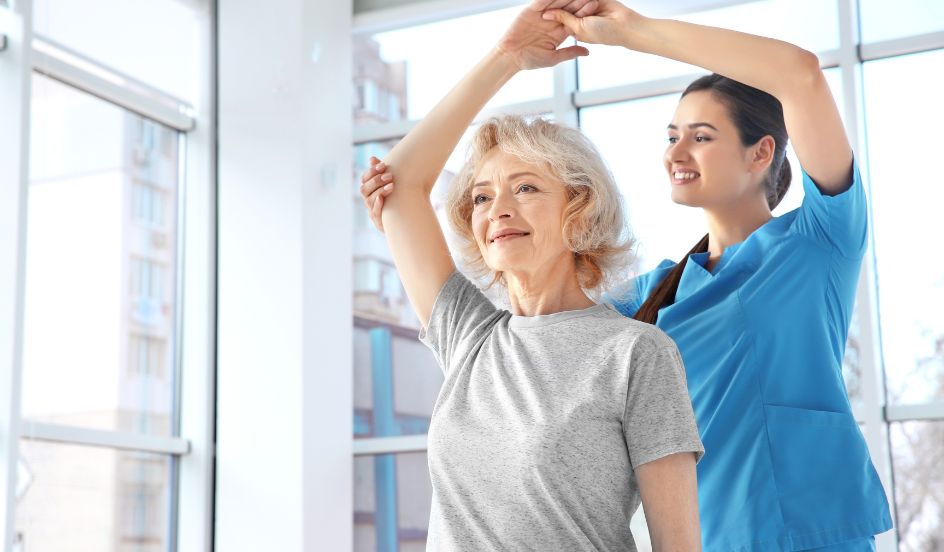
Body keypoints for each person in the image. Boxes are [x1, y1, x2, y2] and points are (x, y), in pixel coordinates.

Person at [363, 2, 893, 551]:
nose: (676, 152)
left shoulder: (816, 246)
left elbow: (799, 75)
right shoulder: (643, 301)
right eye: (671, 136)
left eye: (701, 136)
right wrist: (506, 59)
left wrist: (633, 33)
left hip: (805, 539)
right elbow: (557, 324)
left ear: (762, 152)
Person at [357, 1, 705, 550]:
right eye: (481, 196)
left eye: (525, 187)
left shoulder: (638, 353)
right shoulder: (467, 334)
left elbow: (679, 545)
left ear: (579, 208)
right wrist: (506, 57)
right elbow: (398, 183)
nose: (498, 208)